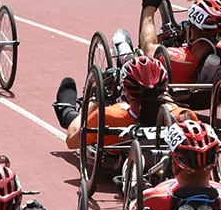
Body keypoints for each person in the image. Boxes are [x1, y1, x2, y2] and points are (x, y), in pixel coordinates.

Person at [54, 50, 196, 150]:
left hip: (118, 139)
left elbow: (71, 141)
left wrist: (94, 102)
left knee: (73, 118)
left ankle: (67, 110)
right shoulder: (184, 116)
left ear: (126, 90)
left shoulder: (109, 115)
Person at [137, 0, 221, 83]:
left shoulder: (172, 59)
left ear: (191, 32)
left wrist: (149, 7)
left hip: (179, 98)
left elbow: (148, 48)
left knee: (123, 43)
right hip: (217, 97)